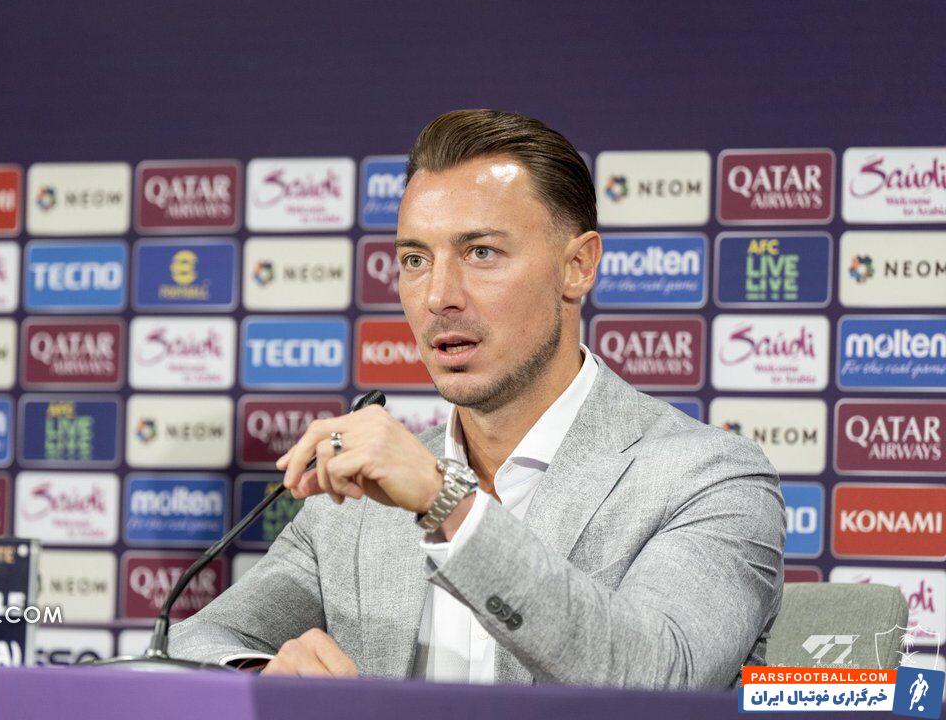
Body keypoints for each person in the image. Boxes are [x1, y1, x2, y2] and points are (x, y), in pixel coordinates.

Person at [170, 109, 785, 688]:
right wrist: (265, 677)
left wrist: (444, 502)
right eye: (416, 259)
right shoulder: (359, 501)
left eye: (481, 253)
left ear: (578, 266)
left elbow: (660, 679)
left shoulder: (708, 478)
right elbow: (189, 645)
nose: (439, 295)